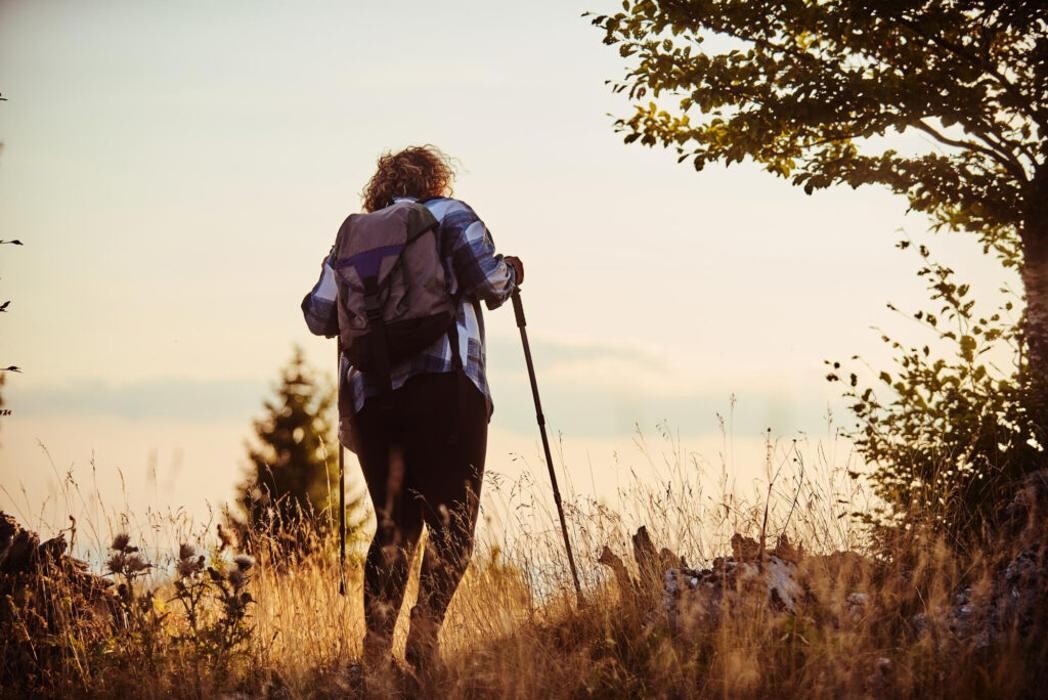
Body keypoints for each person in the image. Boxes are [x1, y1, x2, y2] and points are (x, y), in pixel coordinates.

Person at [301, 145, 523, 672]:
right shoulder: (449, 214)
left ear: (381, 187)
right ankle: (424, 637)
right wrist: (513, 271)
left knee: (393, 525)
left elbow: (318, 314)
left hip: (372, 397)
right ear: (435, 179)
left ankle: (375, 651)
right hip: (446, 384)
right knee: (453, 521)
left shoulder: (352, 238)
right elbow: (489, 282)